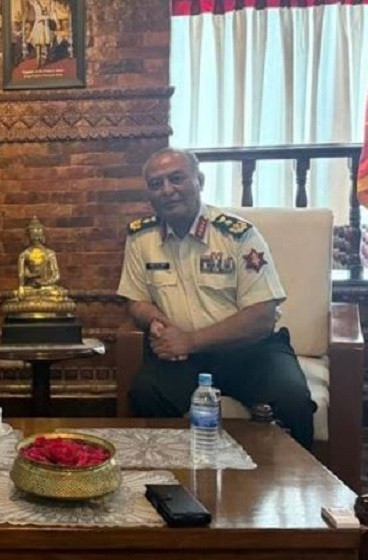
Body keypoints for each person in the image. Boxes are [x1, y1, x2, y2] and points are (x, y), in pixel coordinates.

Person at [116, 148, 317, 450]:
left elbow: (263, 315)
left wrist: (190, 340)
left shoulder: (238, 235)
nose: (167, 190)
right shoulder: (141, 238)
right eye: (156, 184)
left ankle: (295, 479)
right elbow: (136, 300)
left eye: (176, 178)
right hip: (184, 360)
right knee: (146, 392)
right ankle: (169, 476)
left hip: (250, 353)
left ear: (199, 181)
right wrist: (156, 322)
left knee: (292, 399)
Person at [16, 217, 67, 300]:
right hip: (31, 287)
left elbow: (56, 275)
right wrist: (21, 287)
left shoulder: (50, 253)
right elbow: (21, 274)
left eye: (37, 236)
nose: (35, 239)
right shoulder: (24, 254)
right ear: (28, 237)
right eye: (33, 236)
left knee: (58, 293)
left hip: (47, 287)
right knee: (17, 294)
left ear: (42, 236)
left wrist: (44, 283)